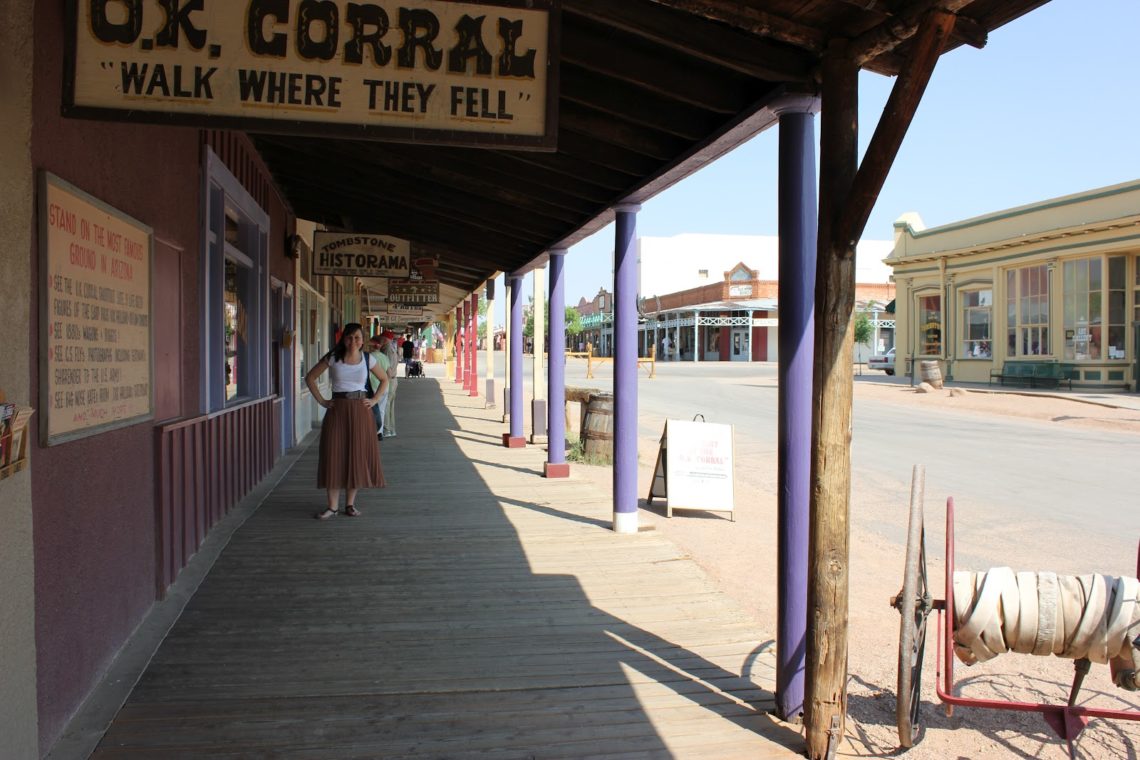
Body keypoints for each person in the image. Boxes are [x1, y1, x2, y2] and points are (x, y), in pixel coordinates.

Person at [304, 323, 388, 520]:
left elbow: (385, 379)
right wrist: (322, 401)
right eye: (349, 337)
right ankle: (332, 507)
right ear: (343, 338)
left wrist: (375, 399)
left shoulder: (368, 359)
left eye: (357, 338)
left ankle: (350, 504)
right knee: (334, 455)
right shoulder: (333, 358)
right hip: (338, 410)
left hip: (361, 410)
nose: (353, 341)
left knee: (356, 457)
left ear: (363, 339)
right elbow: (310, 378)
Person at [369, 333, 391, 438]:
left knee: (371, 410)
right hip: (384, 387)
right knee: (381, 410)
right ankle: (379, 432)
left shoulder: (368, 357)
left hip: (372, 387)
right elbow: (389, 374)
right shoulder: (385, 357)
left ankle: (371, 431)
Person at [379, 329, 399, 437]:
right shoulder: (393, 348)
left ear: (386, 339)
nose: (380, 340)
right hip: (394, 380)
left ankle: (386, 429)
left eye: (382, 338)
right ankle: (392, 429)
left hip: (389, 380)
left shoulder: (386, 349)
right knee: (391, 405)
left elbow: (387, 368)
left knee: (386, 404)